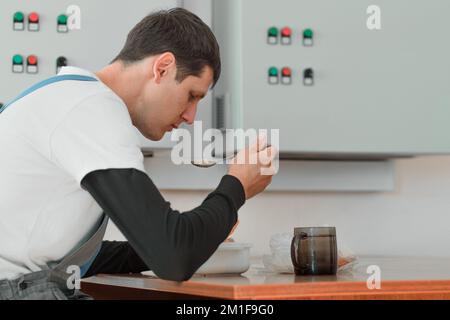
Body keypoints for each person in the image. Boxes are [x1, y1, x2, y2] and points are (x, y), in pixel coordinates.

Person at [0, 8, 276, 300]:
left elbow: (78, 258)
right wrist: (236, 188)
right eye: (192, 95)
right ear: (163, 67)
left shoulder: (67, 97)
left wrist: (186, 241)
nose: (191, 116)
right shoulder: (92, 109)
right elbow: (173, 256)